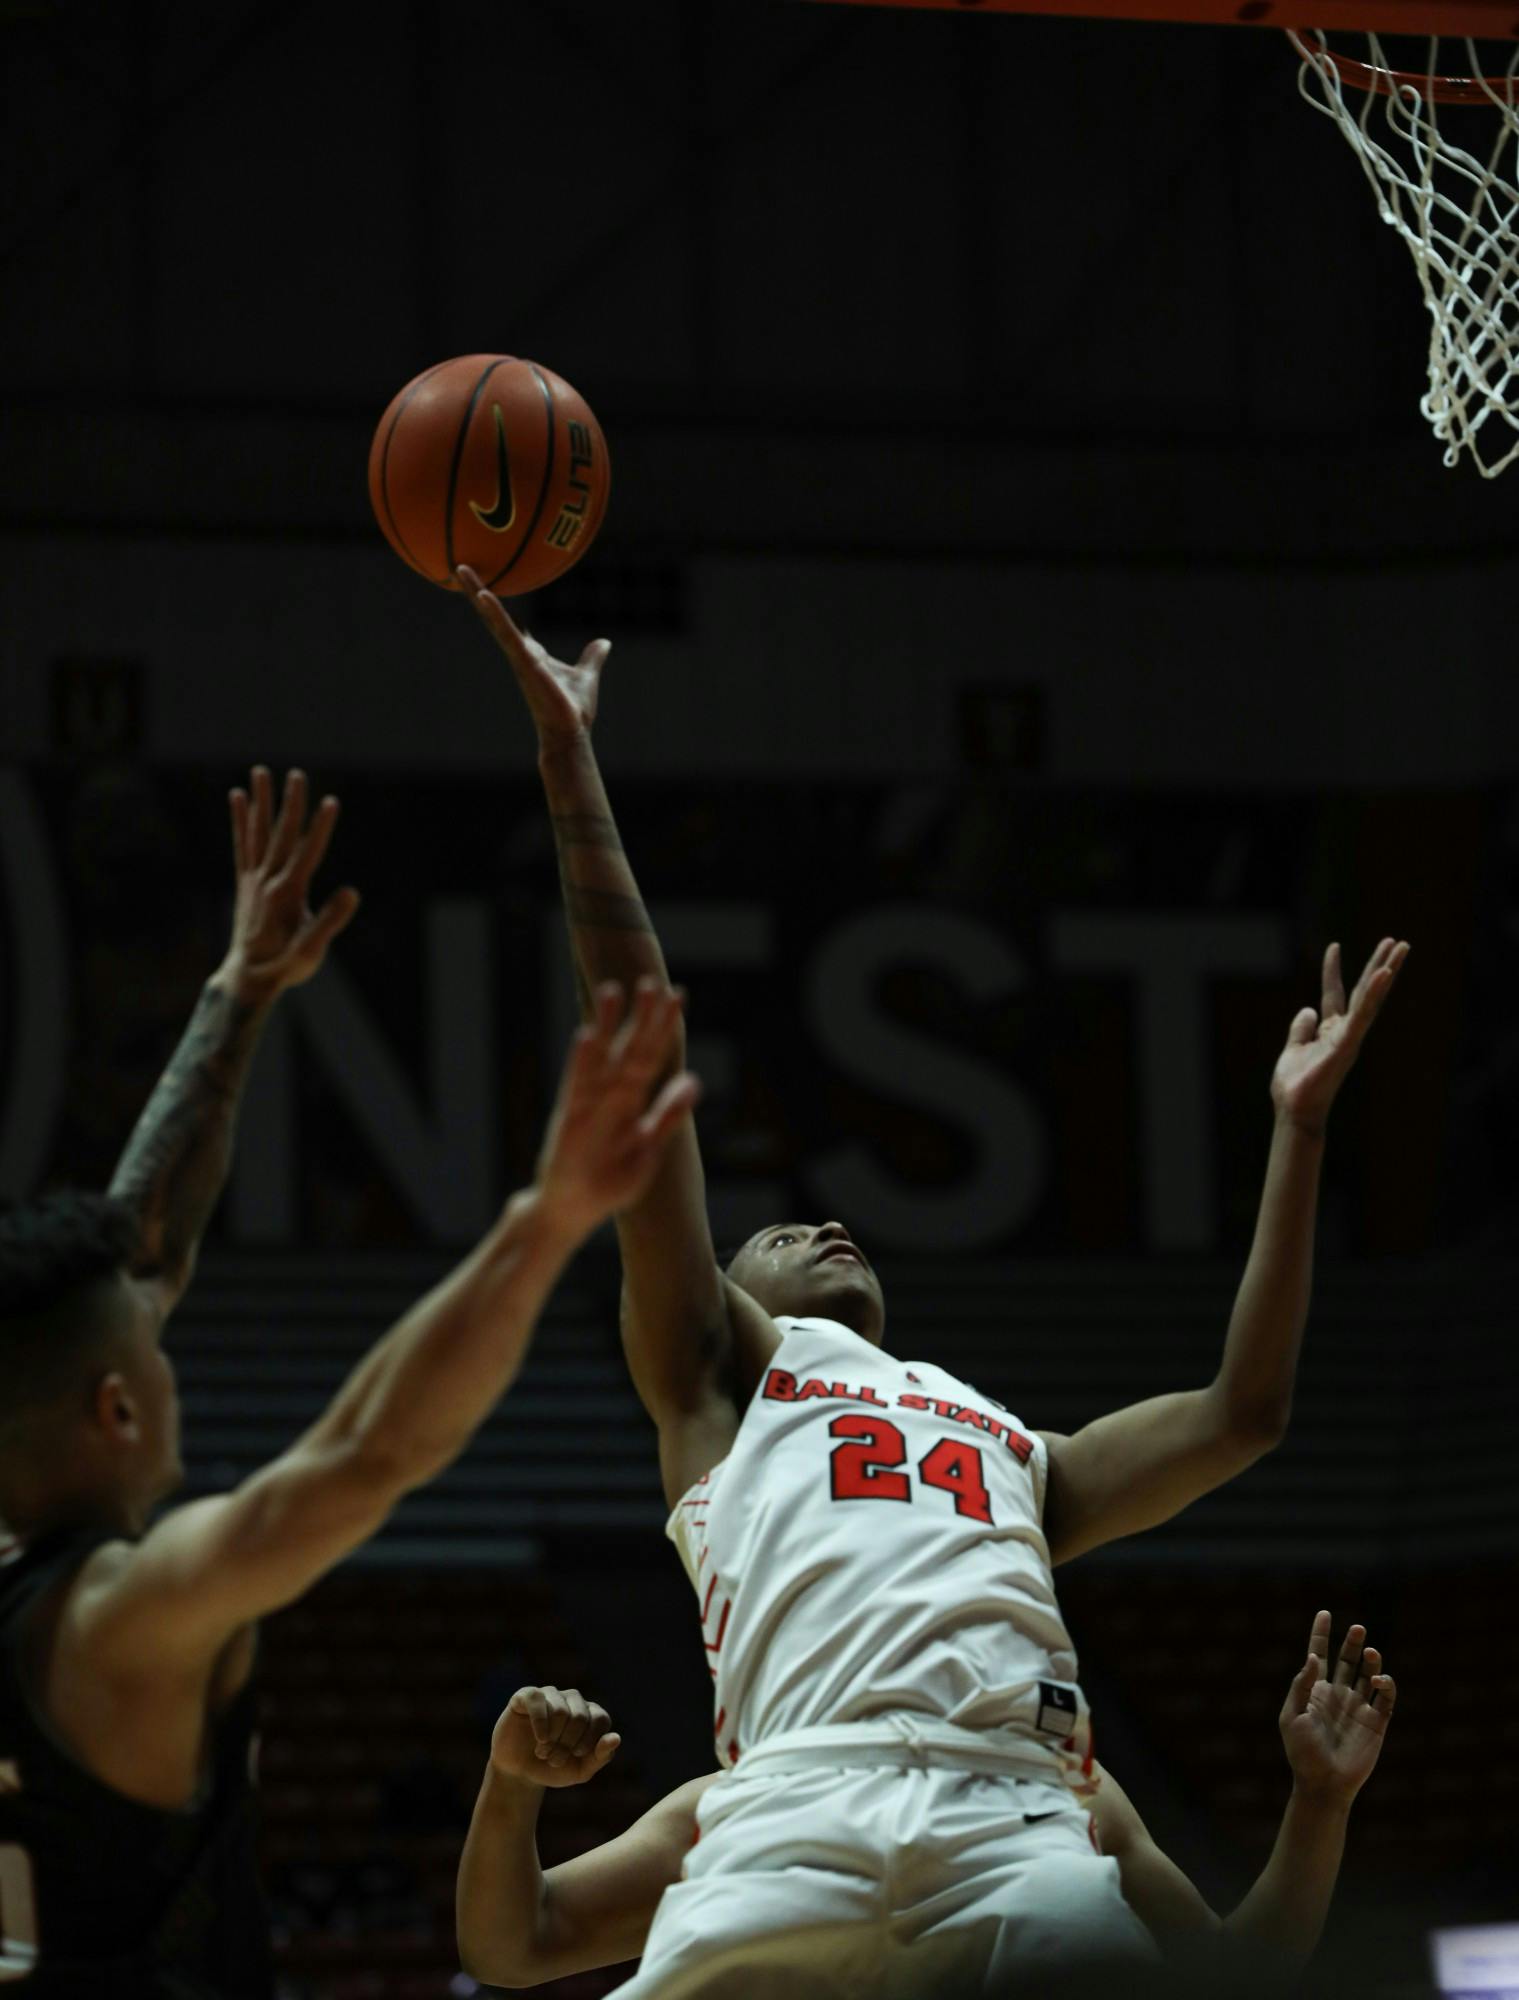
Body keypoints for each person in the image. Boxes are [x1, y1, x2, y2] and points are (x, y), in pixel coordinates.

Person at [458, 565, 1409, 1996]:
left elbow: (1242, 1413)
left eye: (824, 1231)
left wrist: (1296, 1129)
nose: (821, 1230)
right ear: (719, 1297)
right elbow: (506, 1942)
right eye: (772, 1238)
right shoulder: (725, 1377)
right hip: (790, 1804)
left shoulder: (1017, 1458)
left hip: (1017, 1807)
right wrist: (565, 759)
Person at [0, 766, 698, 1998]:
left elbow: (133, 1251)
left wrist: (238, 990)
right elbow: (364, 1454)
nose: (169, 1353)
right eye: (154, 1350)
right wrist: (544, 1220)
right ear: (116, 1409)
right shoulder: (120, 1619)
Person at [455, 1608, 1397, 1995]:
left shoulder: (1068, 1789)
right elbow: (510, 1944)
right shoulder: (739, 1803)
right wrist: (508, 1788)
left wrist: (1319, 1801)